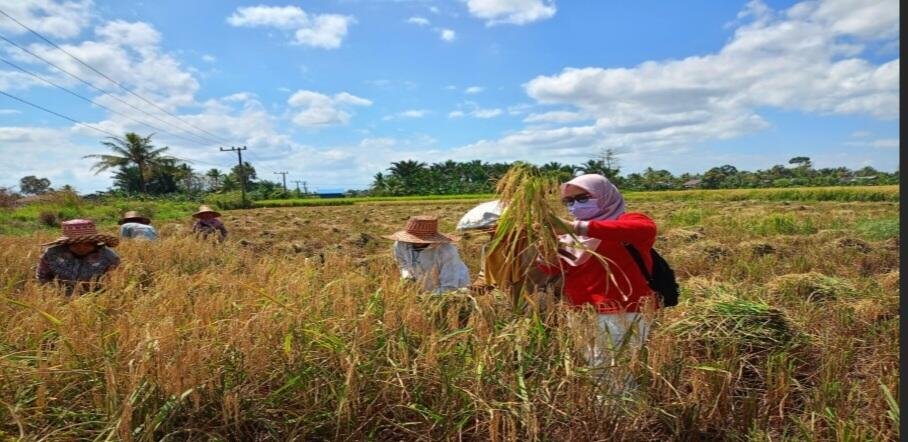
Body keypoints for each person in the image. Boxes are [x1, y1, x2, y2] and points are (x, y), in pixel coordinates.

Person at [537, 173, 659, 375]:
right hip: (580, 311)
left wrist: (575, 227)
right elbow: (553, 269)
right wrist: (546, 251)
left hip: (623, 310)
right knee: (597, 372)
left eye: (583, 198)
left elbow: (644, 230)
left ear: (604, 195)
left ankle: (628, 407)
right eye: (568, 201)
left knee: (616, 374)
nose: (575, 205)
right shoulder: (567, 234)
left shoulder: (629, 221)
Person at [456, 200, 559, 299]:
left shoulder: (533, 245)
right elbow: (485, 277)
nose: (491, 235)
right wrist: (470, 291)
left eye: (494, 230)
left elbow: (547, 276)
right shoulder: (489, 249)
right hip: (508, 300)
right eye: (487, 232)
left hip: (539, 299)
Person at [384, 215, 470, 294]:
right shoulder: (400, 244)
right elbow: (403, 264)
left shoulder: (446, 251)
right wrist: (407, 276)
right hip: (424, 286)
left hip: (454, 288)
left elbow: (449, 285)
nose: (414, 242)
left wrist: (428, 298)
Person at [36, 219, 120, 295]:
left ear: (94, 242)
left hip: (96, 298)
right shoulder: (52, 254)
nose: (81, 248)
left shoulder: (108, 256)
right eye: (76, 244)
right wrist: (55, 293)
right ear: (67, 243)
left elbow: (114, 282)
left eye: (87, 243)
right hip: (60, 299)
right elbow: (43, 277)